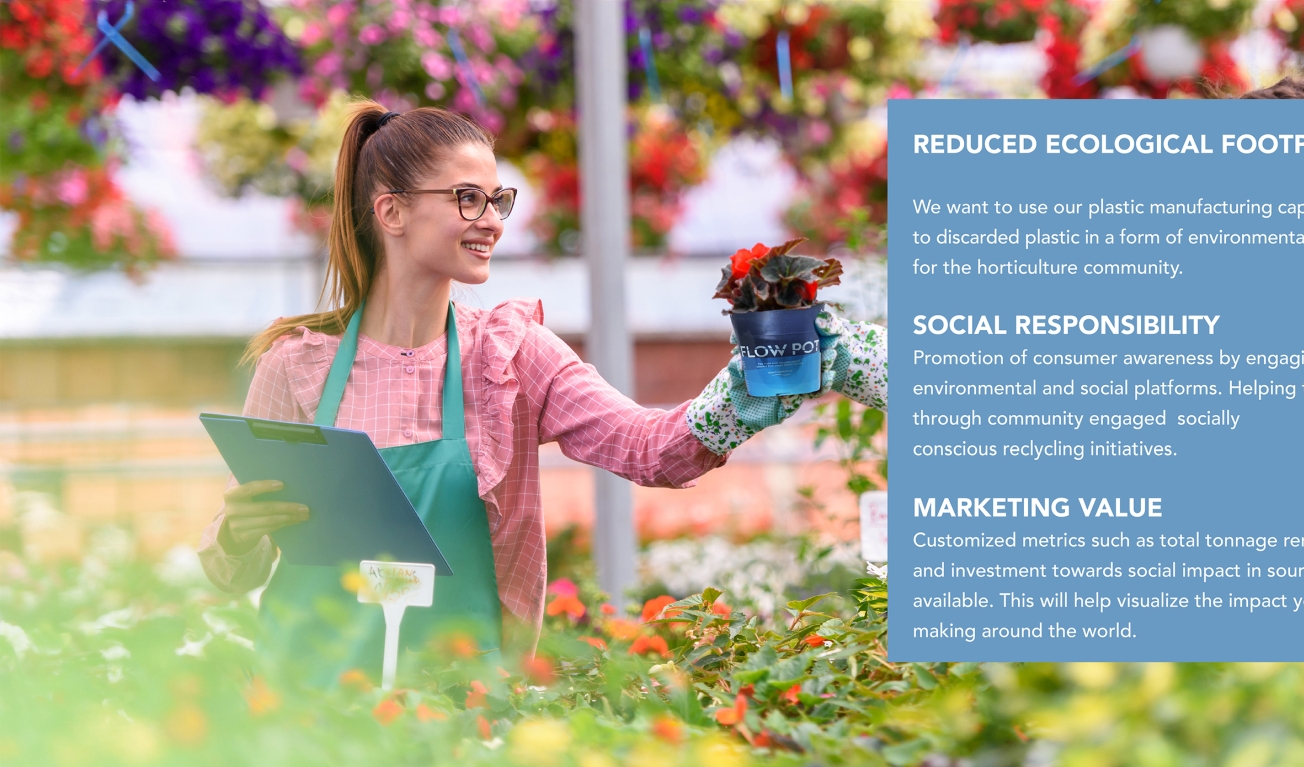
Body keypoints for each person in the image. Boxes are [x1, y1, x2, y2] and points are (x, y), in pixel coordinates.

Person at [198, 102, 886, 687]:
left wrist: (753, 382)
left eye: (498, 199)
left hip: (459, 708)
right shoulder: (298, 367)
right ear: (393, 213)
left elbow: (655, 451)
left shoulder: (510, 354)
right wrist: (239, 529)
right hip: (309, 709)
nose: (492, 218)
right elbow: (235, 572)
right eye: (467, 197)